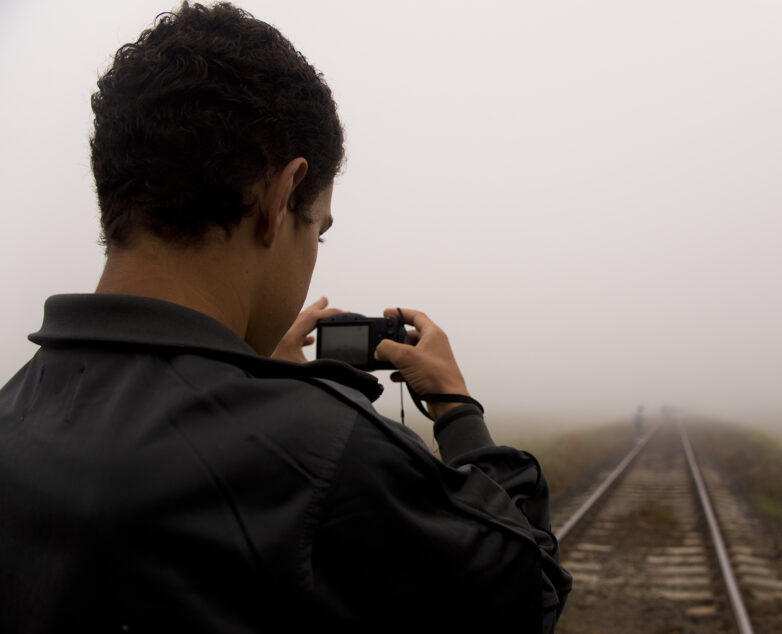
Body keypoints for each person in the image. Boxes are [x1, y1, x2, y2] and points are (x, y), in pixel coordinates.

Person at [0, 3, 571, 632]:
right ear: (279, 197)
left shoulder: (13, 412)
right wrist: (457, 410)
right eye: (317, 231)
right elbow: (527, 592)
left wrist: (249, 383)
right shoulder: (327, 454)